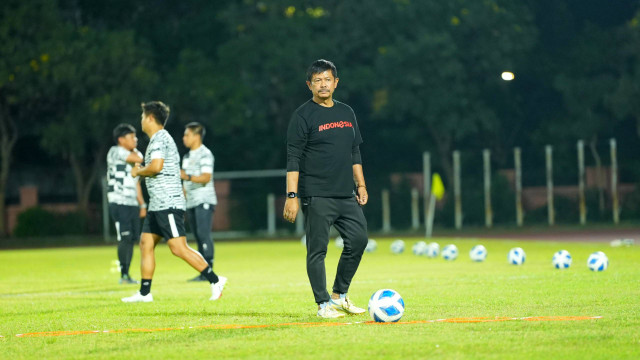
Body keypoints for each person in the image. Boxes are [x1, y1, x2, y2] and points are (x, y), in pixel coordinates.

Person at [284, 59, 370, 318]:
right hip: (317, 194)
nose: (323, 84)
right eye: (318, 80)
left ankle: (339, 296)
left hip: (346, 193)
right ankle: (323, 305)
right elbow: (293, 158)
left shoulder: (347, 112)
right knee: (318, 250)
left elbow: (354, 151)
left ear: (336, 83)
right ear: (309, 85)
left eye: (328, 79)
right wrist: (292, 195)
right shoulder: (302, 115)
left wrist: (361, 184)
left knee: (358, 240)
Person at [121, 101, 226, 303]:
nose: (141, 121)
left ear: (150, 118)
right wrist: (145, 168)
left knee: (178, 248)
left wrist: (139, 170)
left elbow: (157, 166)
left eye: (143, 117)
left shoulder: (160, 138)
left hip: (168, 203)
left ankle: (215, 279)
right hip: (157, 204)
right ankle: (145, 293)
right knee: (145, 243)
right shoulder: (157, 139)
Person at [106, 124, 146, 284]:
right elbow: (139, 158)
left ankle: (127, 275)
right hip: (118, 200)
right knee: (125, 236)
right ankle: (124, 275)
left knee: (131, 239)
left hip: (131, 203)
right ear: (121, 140)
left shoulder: (132, 155)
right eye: (131, 137)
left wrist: (142, 204)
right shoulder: (115, 151)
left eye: (135, 137)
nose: (135, 140)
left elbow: (137, 183)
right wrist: (138, 154)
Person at [180, 122, 217, 282]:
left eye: (187, 135)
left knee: (203, 234)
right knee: (197, 236)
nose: (184, 138)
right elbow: (184, 184)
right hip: (191, 202)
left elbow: (206, 177)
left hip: (204, 199)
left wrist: (186, 176)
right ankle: (203, 271)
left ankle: (208, 269)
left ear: (196, 136)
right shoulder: (187, 157)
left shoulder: (205, 154)